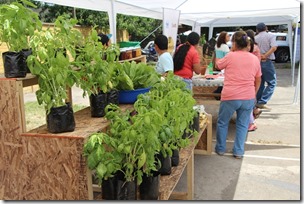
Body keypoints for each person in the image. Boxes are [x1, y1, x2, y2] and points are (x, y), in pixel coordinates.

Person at [214, 31, 262, 159]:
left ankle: (220, 148)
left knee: (223, 122)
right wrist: (254, 93)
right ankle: (239, 151)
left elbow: (218, 65)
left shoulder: (230, 56)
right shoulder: (254, 59)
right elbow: (258, 79)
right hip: (248, 96)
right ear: (247, 44)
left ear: (234, 43)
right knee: (242, 124)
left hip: (230, 95)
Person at [255, 23, 278, 110]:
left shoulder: (256, 38)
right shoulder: (270, 36)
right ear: (266, 28)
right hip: (266, 60)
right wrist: (265, 55)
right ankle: (262, 101)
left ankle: (257, 101)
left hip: (258, 61)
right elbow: (274, 47)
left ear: (257, 30)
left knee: (260, 82)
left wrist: (260, 55)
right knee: (272, 82)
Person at [246, 29, 263, 132]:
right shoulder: (256, 47)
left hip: (248, 76)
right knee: (252, 96)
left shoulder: (248, 49)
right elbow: (259, 60)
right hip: (254, 74)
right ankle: (255, 111)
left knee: (249, 99)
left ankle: (252, 121)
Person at [213, 31, 231, 99]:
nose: (229, 37)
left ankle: (217, 93)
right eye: (227, 36)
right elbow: (227, 57)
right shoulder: (225, 47)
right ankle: (217, 93)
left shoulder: (217, 45)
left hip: (217, 64)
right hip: (223, 65)